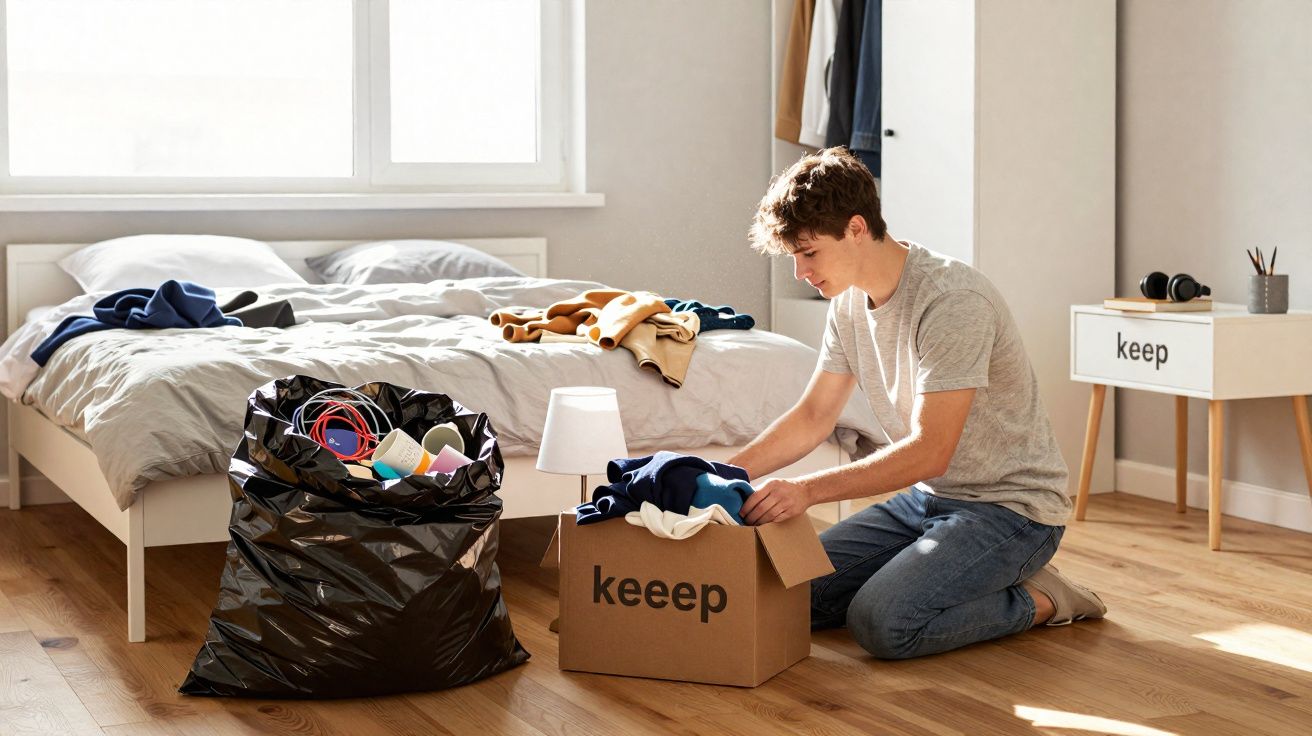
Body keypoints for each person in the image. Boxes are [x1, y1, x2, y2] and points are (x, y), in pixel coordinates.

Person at [731, 147, 1105, 660]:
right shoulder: (847, 305)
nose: (799, 271)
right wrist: (722, 470)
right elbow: (815, 415)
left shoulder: (953, 301)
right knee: (789, 593)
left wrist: (805, 491)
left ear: (857, 228)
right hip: (927, 501)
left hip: (1010, 509)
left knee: (882, 623)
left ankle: (1042, 596)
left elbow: (931, 451)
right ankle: (944, 573)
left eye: (809, 252)